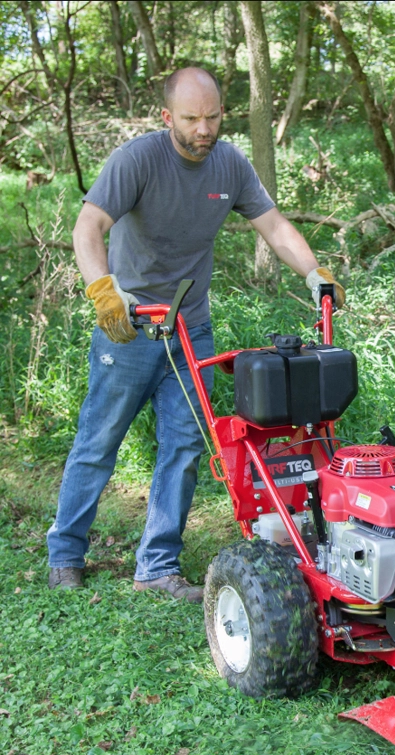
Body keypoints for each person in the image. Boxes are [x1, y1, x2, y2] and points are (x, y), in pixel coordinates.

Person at [46, 67, 342, 602]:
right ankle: (65, 553)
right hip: (130, 327)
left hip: (191, 328)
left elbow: (274, 225)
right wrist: (104, 292)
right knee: (98, 441)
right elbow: (87, 226)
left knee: (182, 447)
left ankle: (157, 566)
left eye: (212, 117)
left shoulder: (229, 164)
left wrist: (314, 273)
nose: (203, 129)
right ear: (168, 117)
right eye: (191, 119)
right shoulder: (138, 159)